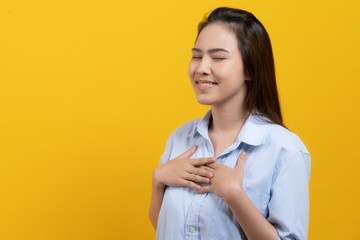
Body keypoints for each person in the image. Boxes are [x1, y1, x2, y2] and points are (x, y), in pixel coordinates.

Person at [149, 7, 310, 240]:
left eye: (218, 57)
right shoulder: (179, 138)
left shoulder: (284, 150)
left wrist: (234, 194)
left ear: (251, 68)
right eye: (196, 56)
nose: (201, 68)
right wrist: (158, 180)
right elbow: (162, 226)